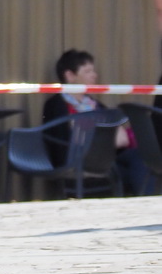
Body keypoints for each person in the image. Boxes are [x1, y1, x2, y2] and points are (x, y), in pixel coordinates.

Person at [42, 49, 143, 193]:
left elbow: (122, 139)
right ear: (70, 75)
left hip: (106, 159)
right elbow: (66, 139)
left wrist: (89, 130)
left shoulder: (95, 105)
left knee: (140, 158)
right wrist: (101, 133)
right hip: (76, 161)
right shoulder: (56, 104)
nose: (94, 75)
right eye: (88, 71)